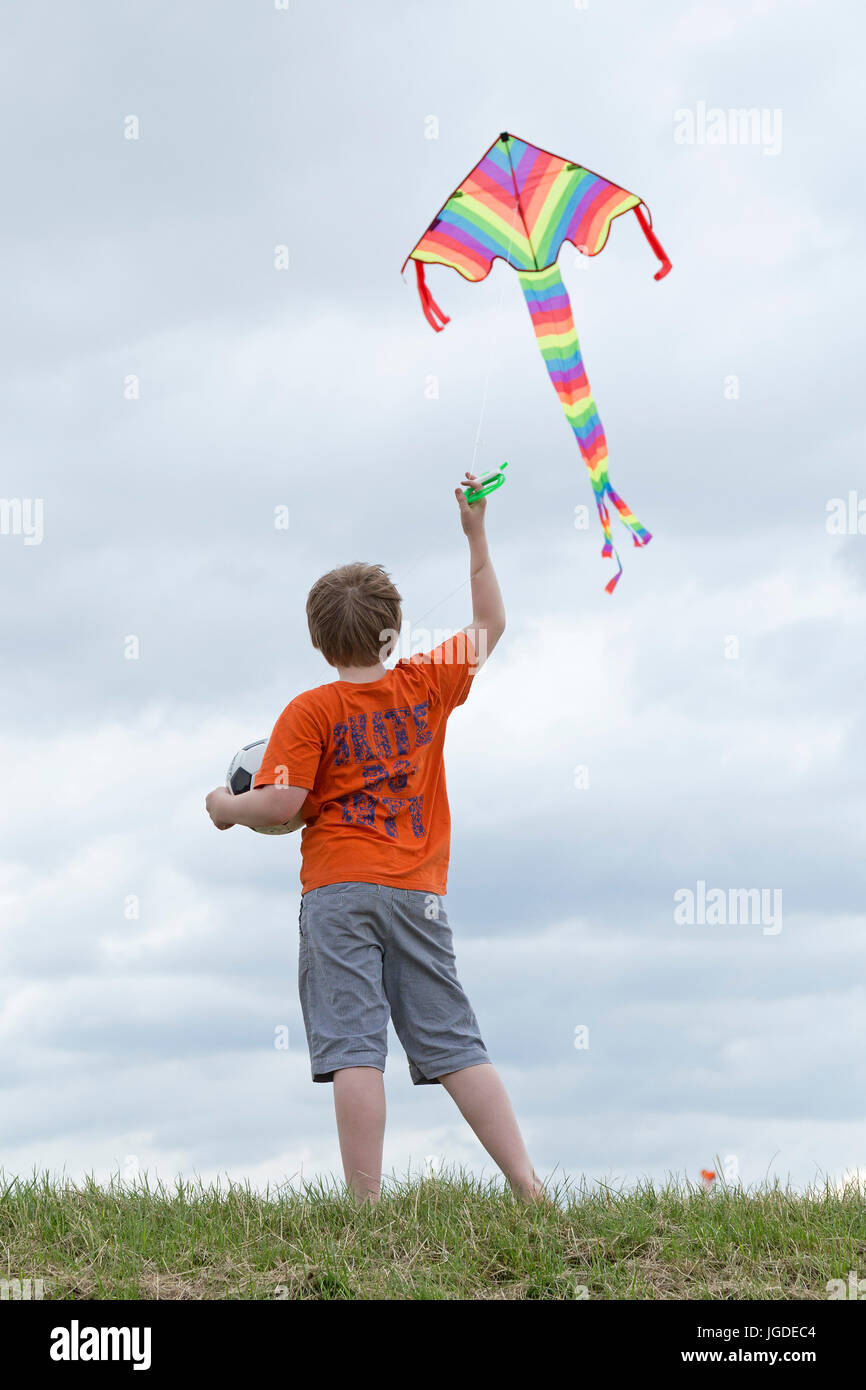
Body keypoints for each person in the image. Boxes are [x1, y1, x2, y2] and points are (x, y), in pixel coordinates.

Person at [206, 473, 544, 1203]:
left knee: (355, 1048)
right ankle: (526, 1184)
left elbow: (285, 803)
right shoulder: (426, 682)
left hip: (337, 891)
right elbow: (491, 622)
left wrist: (227, 809)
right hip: (417, 892)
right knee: (454, 1041)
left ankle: (365, 1207)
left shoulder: (311, 708)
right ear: (395, 630)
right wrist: (475, 531)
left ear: (319, 640)